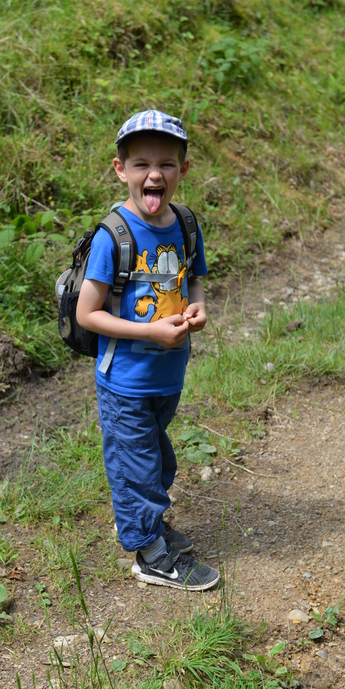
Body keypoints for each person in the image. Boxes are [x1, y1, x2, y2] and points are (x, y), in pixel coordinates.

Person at [76, 110, 219, 591]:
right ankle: (149, 554)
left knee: (158, 461)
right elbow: (88, 314)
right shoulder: (113, 236)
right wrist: (150, 333)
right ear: (121, 170)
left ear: (183, 169)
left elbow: (192, 281)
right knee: (135, 468)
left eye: (166, 164)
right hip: (125, 379)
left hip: (167, 375)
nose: (154, 174)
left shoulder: (185, 224)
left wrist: (198, 309)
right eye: (141, 164)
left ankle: (146, 523)